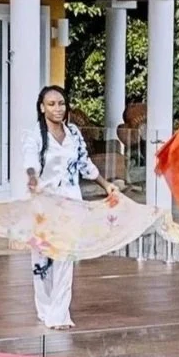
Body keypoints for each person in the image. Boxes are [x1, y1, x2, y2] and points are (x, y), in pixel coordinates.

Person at [22, 86, 115, 330]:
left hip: (71, 204)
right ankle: (45, 309)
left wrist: (106, 185)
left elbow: (85, 164)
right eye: (51, 104)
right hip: (44, 205)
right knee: (42, 260)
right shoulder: (35, 136)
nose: (57, 109)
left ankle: (59, 314)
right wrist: (32, 180)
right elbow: (30, 163)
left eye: (61, 103)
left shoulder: (73, 132)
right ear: (42, 107)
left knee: (64, 257)